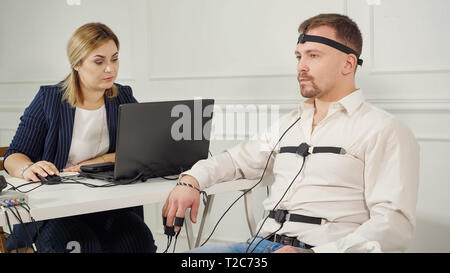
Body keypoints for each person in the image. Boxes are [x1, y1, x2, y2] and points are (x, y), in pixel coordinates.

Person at [162, 13, 420, 253]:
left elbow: (393, 225)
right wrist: (191, 180)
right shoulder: (287, 123)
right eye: (299, 56)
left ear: (348, 63)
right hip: (257, 246)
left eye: (313, 56)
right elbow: (234, 161)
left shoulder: (384, 129)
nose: (301, 66)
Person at [3, 22, 157, 253]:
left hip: (108, 205)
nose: (110, 69)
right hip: (57, 211)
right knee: (82, 246)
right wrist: (28, 169)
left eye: (114, 59)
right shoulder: (49, 100)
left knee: (139, 242)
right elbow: (12, 156)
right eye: (99, 61)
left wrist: (95, 162)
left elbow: (141, 149)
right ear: (77, 63)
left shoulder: (122, 96)